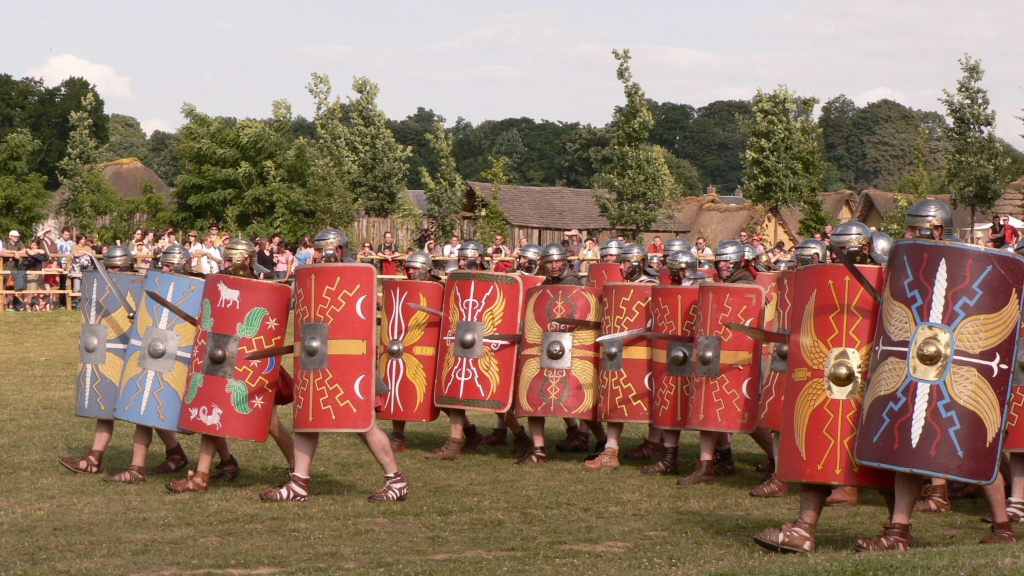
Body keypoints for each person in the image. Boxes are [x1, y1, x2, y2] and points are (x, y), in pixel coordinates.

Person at [853, 199, 1016, 551]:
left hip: (957, 372)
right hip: (918, 370)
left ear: (937, 229)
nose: (908, 235)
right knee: (908, 451)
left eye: (914, 229)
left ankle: (1003, 526)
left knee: (975, 448)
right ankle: (898, 531)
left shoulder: (967, 264)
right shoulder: (915, 265)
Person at [261, 228, 408, 502]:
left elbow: (371, 306)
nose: (316, 255)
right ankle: (299, 483)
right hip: (317, 359)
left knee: (362, 423)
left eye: (321, 250)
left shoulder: (355, 273)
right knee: (308, 418)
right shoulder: (313, 275)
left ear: (337, 249)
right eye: (315, 250)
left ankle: (396, 480)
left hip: (349, 362)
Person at [167, 238, 296, 494]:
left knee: (269, 423)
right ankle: (201, 477)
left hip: (250, 364)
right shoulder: (221, 285)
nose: (225, 264)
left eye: (229, 260)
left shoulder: (261, 289)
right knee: (211, 411)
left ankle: (299, 470)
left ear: (245, 260)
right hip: (222, 360)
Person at [59, 246, 189, 477]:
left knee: (144, 409)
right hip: (117, 349)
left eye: (116, 268)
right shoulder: (130, 282)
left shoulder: (149, 284)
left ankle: (144, 465)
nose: (112, 272)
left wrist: (139, 318)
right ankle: (95, 458)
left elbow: (160, 319)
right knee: (106, 402)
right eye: (108, 268)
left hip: (148, 350)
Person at [585, 244, 660, 470]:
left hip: (647, 354)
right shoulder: (622, 289)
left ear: (639, 263)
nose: (621, 267)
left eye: (625, 262)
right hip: (622, 352)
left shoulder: (653, 287)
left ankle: (654, 443)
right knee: (616, 394)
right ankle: (611, 450)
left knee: (652, 398)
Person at [641, 249, 709, 476]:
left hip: (700, 354)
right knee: (670, 401)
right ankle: (669, 458)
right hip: (676, 353)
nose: (671, 275)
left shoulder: (706, 287)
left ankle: (722, 457)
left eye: (675, 270)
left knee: (706, 407)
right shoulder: (671, 290)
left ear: (685, 269)